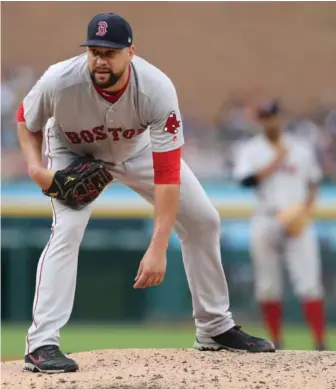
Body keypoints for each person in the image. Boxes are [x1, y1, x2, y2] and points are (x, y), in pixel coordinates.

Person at [17, 13, 274, 374]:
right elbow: (25, 119)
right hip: (74, 152)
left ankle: (214, 328)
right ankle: (42, 343)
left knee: (203, 221)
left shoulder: (156, 88)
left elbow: (168, 174)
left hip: (137, 151)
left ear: (131, 52)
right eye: (94, 51)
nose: (100, 59)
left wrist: (157, 247)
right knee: (67, 231)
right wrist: (36, 169)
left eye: (109, 52)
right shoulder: (59, 81)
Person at [233, 100, 327, 351]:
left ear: (280, 118)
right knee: (268, 285)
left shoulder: (300, 148)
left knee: (309, 283)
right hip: (267, 217)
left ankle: (320, 342)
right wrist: (276, 161)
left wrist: (306, 212)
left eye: (273, 116)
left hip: (298, 219)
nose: (270, 121)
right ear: (260, 121)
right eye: (265, 117)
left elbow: (314, 182)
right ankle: (278, 341)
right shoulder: (251, 149)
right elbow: (245, 181)